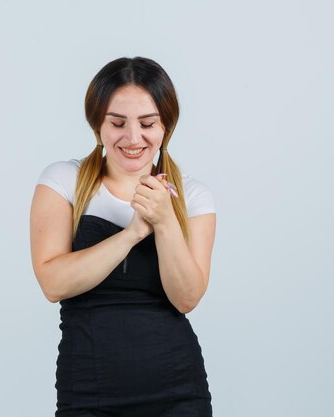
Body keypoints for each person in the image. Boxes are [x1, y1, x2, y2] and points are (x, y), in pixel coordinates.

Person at [29, 56, 216, 416]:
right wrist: (132, 234)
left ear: (166, 127)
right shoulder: (62, 182)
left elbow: (186, 298)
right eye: (117, 123)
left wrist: (164, 222)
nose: (133, 138)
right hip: (88, 391)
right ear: (98, 124)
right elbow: (53, 283)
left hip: (178, 391)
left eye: (148, 123)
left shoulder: (194, 196)